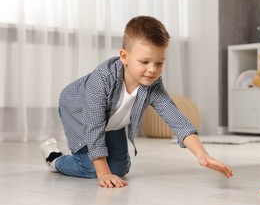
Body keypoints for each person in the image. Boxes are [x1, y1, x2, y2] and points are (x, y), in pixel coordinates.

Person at [40, 15, 233, 188]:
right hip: (79, 111)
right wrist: (103, 173)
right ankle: (54, 159)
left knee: (120, 168)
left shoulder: (153, 85)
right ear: (124, 56)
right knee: (92, 168)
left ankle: (98, 163)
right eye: (145, 62)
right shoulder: (102, 80)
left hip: (112, 122)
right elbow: (93, 126)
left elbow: (177, 119)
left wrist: (202, 155)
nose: (152, 70)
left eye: (159, 63)